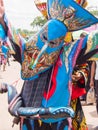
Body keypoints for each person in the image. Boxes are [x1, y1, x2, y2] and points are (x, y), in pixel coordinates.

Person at [0, 0, 98, 130]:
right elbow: (12, 36)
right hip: (30, 116)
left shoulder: (68, 53)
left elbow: (92, 42)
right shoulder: (29, 48)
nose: (46, 46)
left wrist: (78, 76)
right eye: (45, 38)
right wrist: (2, 17)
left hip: (59, 116)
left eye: (53, 43)